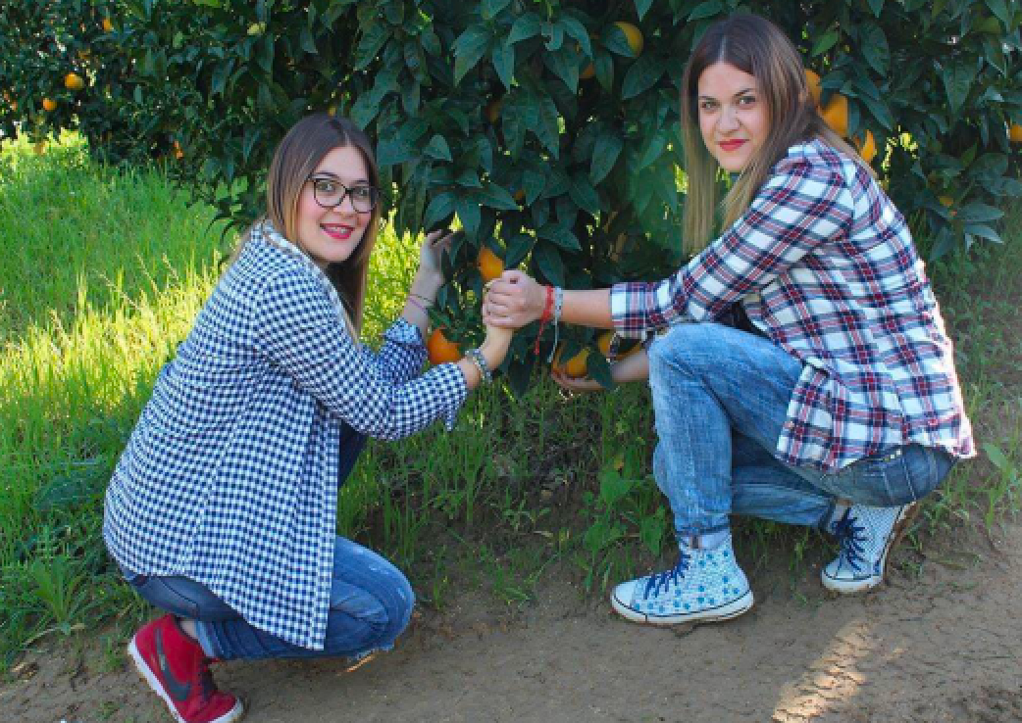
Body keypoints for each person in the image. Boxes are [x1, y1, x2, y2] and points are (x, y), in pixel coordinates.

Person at [485, 14, 973, 627]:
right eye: (709, 105)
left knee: (679, 348)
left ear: (786, 97)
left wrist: (546, 303)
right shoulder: (780, 176)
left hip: (896, 444)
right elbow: (730, 316)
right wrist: (617, 373)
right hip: (881, 433)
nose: (725, 123)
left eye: (746, 101)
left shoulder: (808, 180)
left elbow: (679, 305)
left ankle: (708, 570)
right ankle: (857, 514)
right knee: (677, 468)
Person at [103, 113, 512, 723]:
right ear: (289, 185)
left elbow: (365, 399)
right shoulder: (284, 287)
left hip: (191, 517)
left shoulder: (281, 256)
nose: (346, 207)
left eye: (361, 192)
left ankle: (239, 599)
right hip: (178, 549)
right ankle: (184, 642)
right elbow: (388, 413)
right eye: (326, 186)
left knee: (346, 421)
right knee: (382, 608)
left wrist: (424, 285)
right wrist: (488, 356)